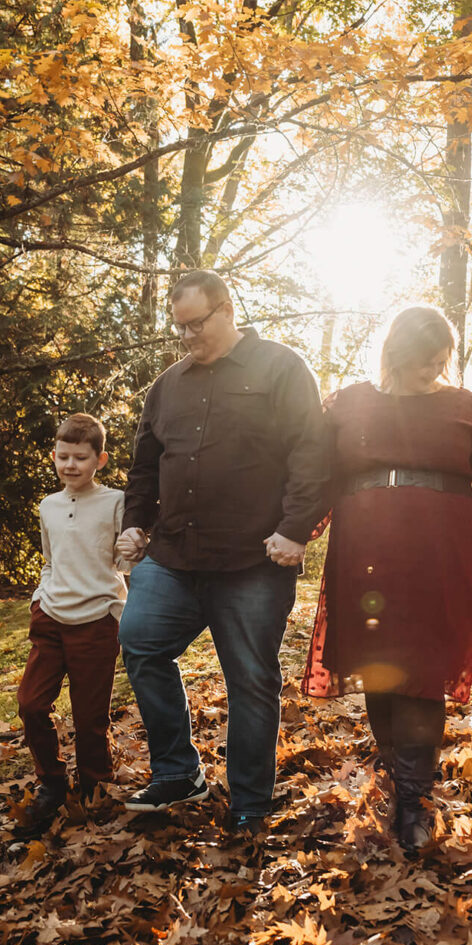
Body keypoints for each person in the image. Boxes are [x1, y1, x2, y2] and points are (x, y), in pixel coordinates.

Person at [301, 305, 472, 852]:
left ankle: (413, 801)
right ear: (395, 354)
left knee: (421, 666)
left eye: (441, 362)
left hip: (441, 548)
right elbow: (319, 476)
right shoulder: (349, 402)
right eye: (422, 363)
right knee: (378, 663)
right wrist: (296, 532)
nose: (433, 372)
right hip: (365, 546)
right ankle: (396, 770)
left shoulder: (466, 408)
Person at [115, 270, 330, 833]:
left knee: (251, 680)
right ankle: (179, 772)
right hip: (173, 555)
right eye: (178, 327)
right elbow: (144, 465)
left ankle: (251, 803)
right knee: (140, 641)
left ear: (227, 309)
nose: (186, 336)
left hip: (253, 560)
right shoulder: (168, 385)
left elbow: (312, 452)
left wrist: (296, 528)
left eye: (196, 324)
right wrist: (136, 524)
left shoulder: (282, 368)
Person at [14, 413, 131, 838]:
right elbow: (50, 559)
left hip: (97, 621)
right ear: (54, 456)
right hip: (50, 619)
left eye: (80, 458)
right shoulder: (48, 505)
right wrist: (38, 600)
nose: (70, 465)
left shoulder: (116, 501)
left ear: (99, 460)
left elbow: (126, 562)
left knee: (89, 716)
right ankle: (51, 781)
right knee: (31, 704)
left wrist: (117, 607)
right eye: (63, 457)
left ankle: (95, 785)